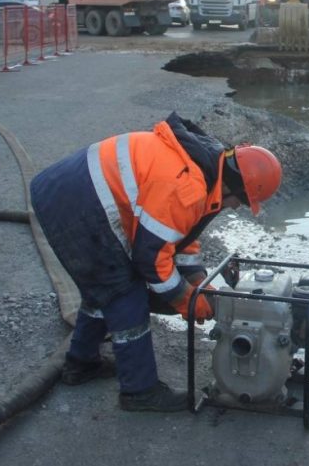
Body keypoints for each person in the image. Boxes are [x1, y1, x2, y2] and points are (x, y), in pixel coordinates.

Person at [29, 113, 282, 412]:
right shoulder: (186, 186)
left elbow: (179, 234)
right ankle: (139, 391)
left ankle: (81, 363)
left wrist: (198, 278)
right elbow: (151, 261)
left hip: (73, 190)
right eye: (242, 200)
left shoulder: (209, 166)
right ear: (235, 187)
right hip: (75, 204)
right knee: (124, 291)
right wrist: (186, 300)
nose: (238, 207)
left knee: (104, 287)